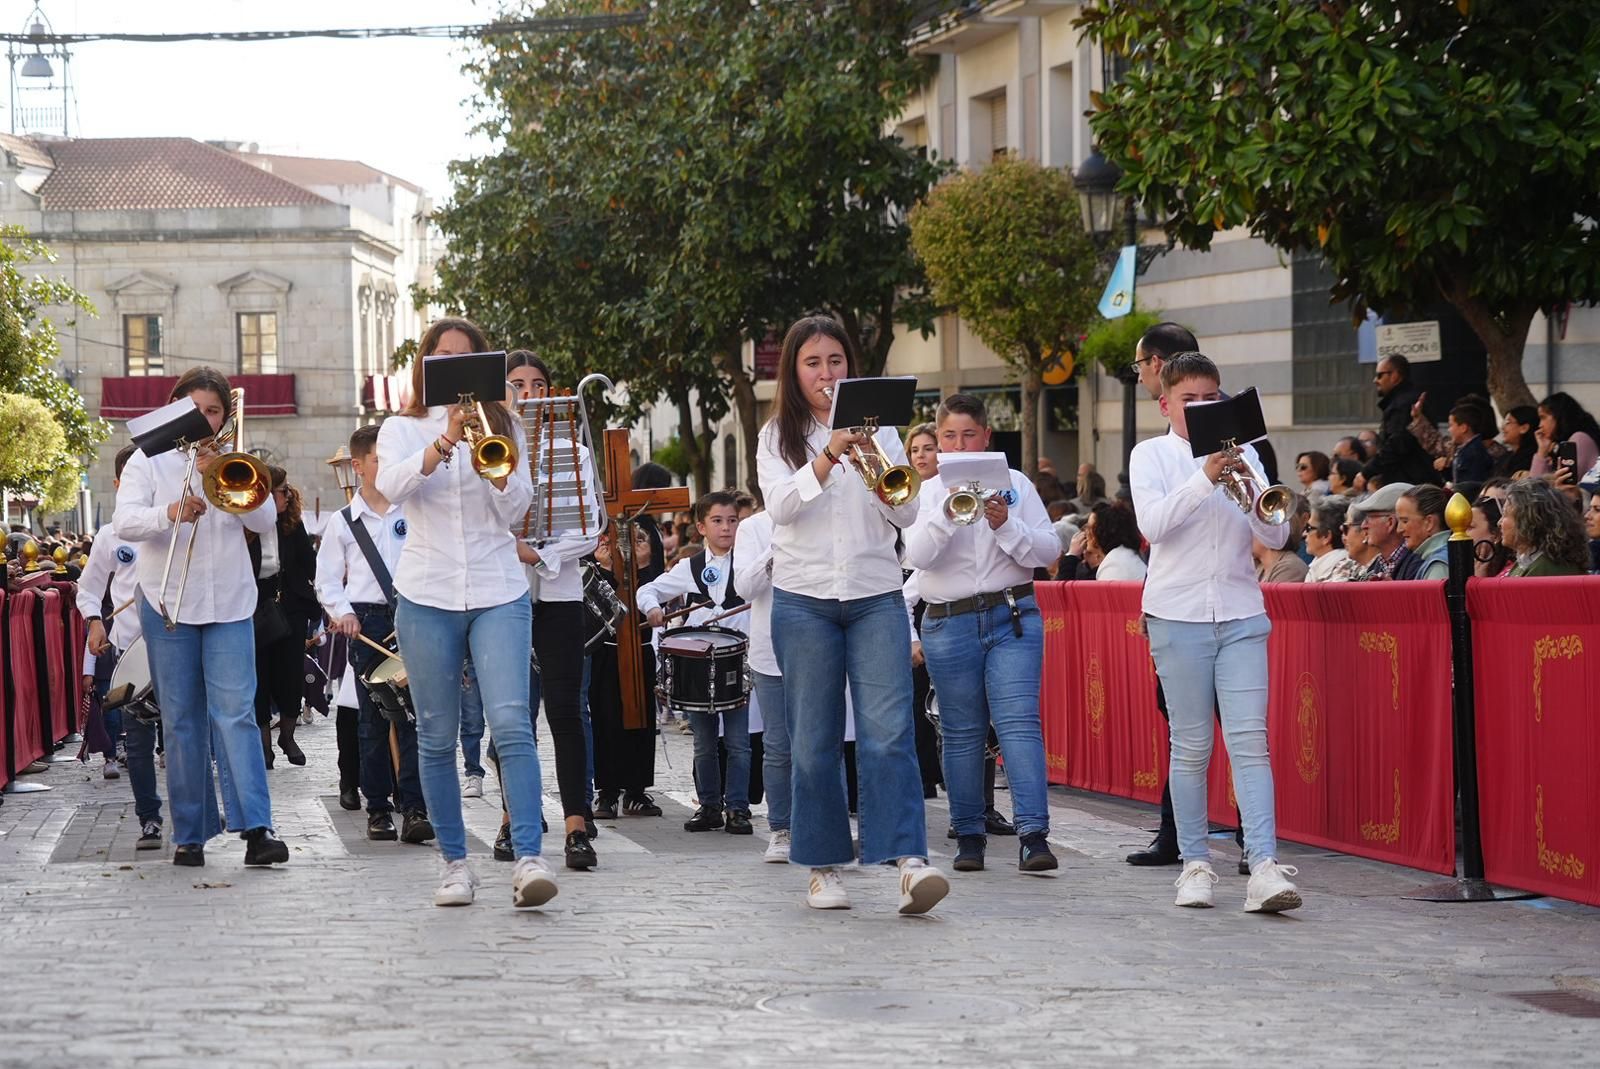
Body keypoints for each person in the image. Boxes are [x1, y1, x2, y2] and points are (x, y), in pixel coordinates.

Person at [756, 314, 950, 915]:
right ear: (794, 371)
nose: (825, 373)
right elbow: (780, 507)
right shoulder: (776, 436)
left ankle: (908, 860)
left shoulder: (883, 433)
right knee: (813, 741)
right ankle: (823, 867)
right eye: (813, 363)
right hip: (804, 598)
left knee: (889, 732)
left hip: (873, 594)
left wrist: (871, 465)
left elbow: (909, 515)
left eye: (835, 362)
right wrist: (826, 459)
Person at [374, 317, 555, 909]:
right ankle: (455, 863)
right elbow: (390, 489)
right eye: (441, 358)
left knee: (510, 725)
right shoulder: (401, 428)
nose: (453, 367)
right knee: (434, 734)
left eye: (464, 358)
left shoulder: (504, 426)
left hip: (498, 585)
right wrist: (444, 441)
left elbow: (517, 510)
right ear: (427, 367)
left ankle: (528, 857)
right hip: (427, 592)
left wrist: (491, 467)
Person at [1129, 351, 1302, 913]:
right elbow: (1153, 526)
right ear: (1166, 404)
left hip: (1240, 611)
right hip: (1176, 615)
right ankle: (1195, 864)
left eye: (1212, 398)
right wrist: (1206, 477)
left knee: (1251, 743)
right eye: (1190, 399)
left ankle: (1265, 866)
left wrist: (1253, 490)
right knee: (1192, 746)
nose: (1203, 408)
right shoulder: (1149, 455)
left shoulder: (1247, 452)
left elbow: (1274, 537)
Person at [113, 367, 289, 869]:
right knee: (183, 721)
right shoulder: (148, 461)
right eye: (196, 410)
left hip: (230, 603)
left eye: (213, 411)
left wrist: (225, 469)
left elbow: (264, 520)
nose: (204, 419)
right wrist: (169, 511)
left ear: (223, 417)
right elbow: (124, 522)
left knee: (236, 714)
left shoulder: (236, 460)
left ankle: (257, 828)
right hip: (167, 600)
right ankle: (190, 834)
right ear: (176, 410)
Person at [903, 392, 1059, 875]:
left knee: (1019, 726)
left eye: (969, 434)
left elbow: (1049, 549)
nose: (958, 443)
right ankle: (968, 834)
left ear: (987, 437)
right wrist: (948, 517)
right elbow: (917, 558)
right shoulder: (927, 492)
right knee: (961, 732)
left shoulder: (1015, 483)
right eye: (949, 435)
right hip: (948, 622)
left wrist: (1007, 527)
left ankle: (1034, 835)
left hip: (1010, 614)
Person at [502, 350, 604, 871]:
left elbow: (591, 528)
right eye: (515, 385)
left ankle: (576, 825)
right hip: (505, 597)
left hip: (560, 595)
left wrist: (539, 553)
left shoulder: (573, 451)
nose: (527, 394)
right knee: (512, 715)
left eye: (537, 384)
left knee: (565, 711)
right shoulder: (489, 448)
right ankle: (510, 819)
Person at [315, 425, 434, 846]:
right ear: (359, 465)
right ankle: (378, 808)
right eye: (379, 460)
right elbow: (326, 579)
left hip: (414, 614)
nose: (386, 466)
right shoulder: (343, 521)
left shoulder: (414, 507)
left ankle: (415, 807)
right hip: (367, 623)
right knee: (372, 720)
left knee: (415, 719)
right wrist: (343, 613)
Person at [638, 490, 752, 834]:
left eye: (732, 521)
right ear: (701, 527)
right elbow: (650, 591)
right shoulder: (691, 567)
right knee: (704, 742)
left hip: (738, 663)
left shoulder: (750, 561)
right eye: (717, 521)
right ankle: (709, 805)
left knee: (738, 743)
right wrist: (653, 609)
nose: (726, 528)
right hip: (699, 664)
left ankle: (738, 808)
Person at [79, 444, 165, 839]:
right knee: (139, 737)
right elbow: (90, 588)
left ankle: (194, 814)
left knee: (184, 734)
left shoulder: (176, 521)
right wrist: (95, 622)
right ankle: (150, 817)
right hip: (130, 648)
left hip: (177, 641)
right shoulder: (111, 534)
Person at [251, 466, 318, 769]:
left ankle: (287, 737)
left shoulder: (292, 524)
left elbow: (310, 563)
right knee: (259, 677)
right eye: (281, 491)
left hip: (290, 605)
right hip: (255, 605)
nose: (287, 496)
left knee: (291, 675)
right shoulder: (246, 526)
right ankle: (264, 746)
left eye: (287, 490)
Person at [902, 422, 947, 799]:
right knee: (917, 695)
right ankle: (924, 773)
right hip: (909, 595)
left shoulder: (947, 490)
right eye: (915, 449)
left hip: (940, 591)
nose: (921, 455)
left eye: (928, 447)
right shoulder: (904, 492)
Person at [1360, 355, 1436, 489]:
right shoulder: (1400, 402)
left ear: (1394, 375)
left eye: (1379, 375)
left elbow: (1397, 444)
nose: (1375, 380)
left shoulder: (1403, 404)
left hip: (1410, 483)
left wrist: (1366, 472)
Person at [1501, 478, 1590, 577]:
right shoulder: (1528, 562)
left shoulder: (1547, 569)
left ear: (1528, 521)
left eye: (1505, 515)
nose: (1499, 523)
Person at [1064, 500, 1146, 582]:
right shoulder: (1122, 556)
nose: (1086, 532)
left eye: (1090, 527)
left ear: (1103, 531)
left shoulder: (1114, 565)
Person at [1529, 392, 1600, 484]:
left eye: (1543, 418)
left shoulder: (1579, 439)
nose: (1540, 425)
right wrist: (1542, 451)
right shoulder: (1562, 444)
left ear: (1559, 416)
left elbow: (1564, 485)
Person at [1350, 482, 1417, 580]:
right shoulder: (1377, 565)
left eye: (1369, 519)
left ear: (1390, 523)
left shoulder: (1416, 563)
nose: (1363, 526)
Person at [1395, 485, 1451, 580]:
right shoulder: (1438, 559)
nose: (1399, 529)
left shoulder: (1438, 566)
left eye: (1405, 521)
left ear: (1429, 522)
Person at [1468, 496, 1514, 578]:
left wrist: (1479, 583)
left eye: (1470, 527)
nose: (1462, 534)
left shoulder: (1512, 572)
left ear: (1497, 534)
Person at [1304, 500, 1350, 582]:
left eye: (1309, 528)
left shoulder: (1340, 572)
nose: (1304, 534)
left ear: (1326, 536)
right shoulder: (1319, 565)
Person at [1494, 405, 1539, 478]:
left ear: (1524, 428)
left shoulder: (1531, 458)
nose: (1503, 428)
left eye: (1508, 423)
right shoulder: (1506, 456)